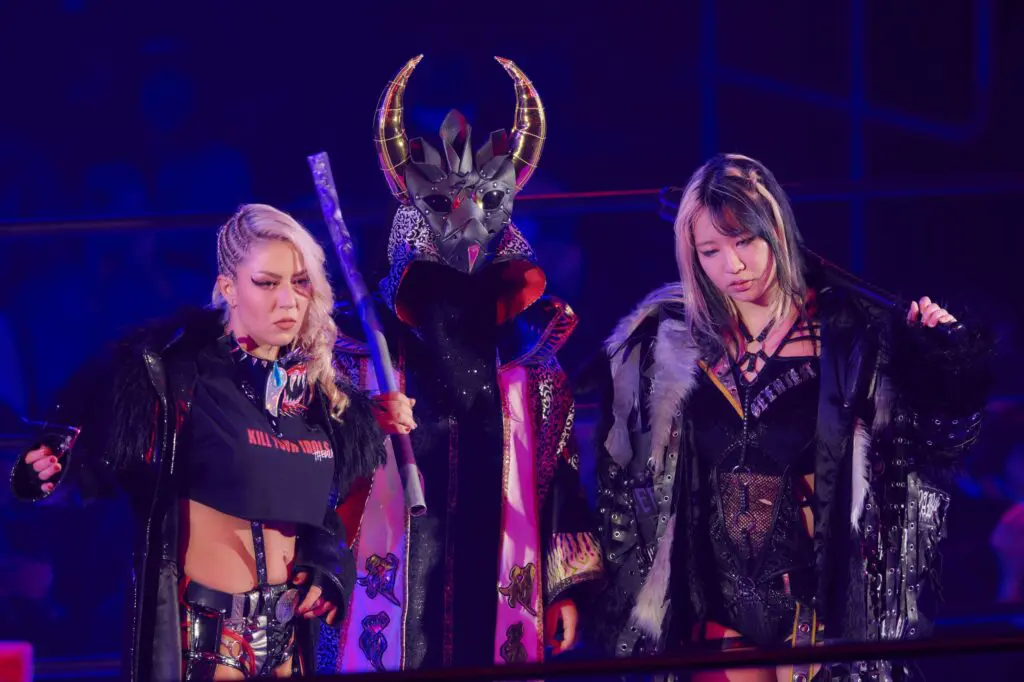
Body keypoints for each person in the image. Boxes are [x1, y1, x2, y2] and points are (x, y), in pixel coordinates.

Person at [592, 154, 993, 681]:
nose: (732, 266)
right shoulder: (665, 344)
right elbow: (623, 479)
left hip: (820, 607)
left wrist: (943, 367)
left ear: (777, 230)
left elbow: (937, 448)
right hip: (715, 608)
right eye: (710, 251)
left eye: (745, 242)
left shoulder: (852, 338)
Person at [10, 204, 415, 681]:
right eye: (267, 283)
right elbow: (92, 428)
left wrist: (325, 565)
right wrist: (56, 460)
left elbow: (326, 512)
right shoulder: (179, 372)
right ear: (228, 288)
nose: (288, 301)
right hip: (209, 639)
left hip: (289, 643)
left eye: (301, 282)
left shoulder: (321, 395)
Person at [320, 55, 604, 673]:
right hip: (385, 586)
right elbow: (320, 468)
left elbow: (553, 475)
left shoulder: (527, 358)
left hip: (495, 581)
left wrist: (562, 586)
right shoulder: (357, 352)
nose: (464, 236)